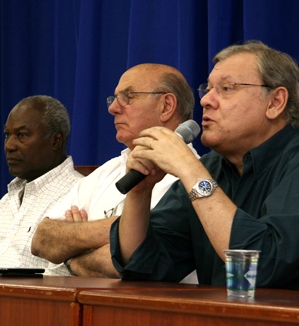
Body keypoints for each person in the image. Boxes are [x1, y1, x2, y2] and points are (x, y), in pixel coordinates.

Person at [112, 41, 299, 295]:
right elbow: (143, 267)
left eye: (226, 88)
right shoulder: (210, 167)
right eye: (208, 89)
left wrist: (189, 170)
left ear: (275, 102)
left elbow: (260, 265)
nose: (206, 101)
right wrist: (139, 193)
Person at [31, 64, 198, 278]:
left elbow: (128, 263)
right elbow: (42, 239)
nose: (113, 108)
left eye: (128, 97)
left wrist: (71, 252)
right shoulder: (108, 170)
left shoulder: (193, 176)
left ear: (166, 106)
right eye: (114, 98)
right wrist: (117, 232)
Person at [0, 95, 84, 274]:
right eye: (7, 135)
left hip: (25, 300)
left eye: (21, 135)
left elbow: (62, 276)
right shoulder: (8, 199)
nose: (9, 146)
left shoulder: (79, 194)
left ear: (56, 140)